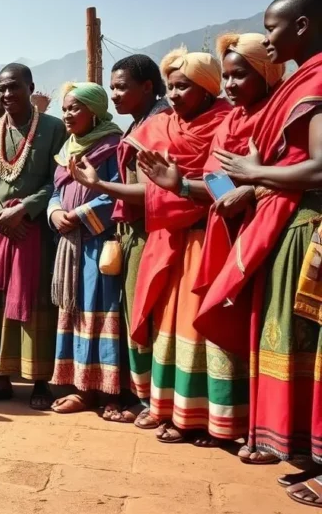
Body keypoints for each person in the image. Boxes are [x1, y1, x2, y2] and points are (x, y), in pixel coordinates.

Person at [202, 0, 322, 505]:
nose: (266, 36)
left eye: (272, 27)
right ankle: (306, 452)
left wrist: (255, 172)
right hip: (287, 220)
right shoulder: (301, 80)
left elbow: (318, 165)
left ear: (301, 26)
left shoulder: (315, 81)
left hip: (308, 222)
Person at [139, 33, 284, 459]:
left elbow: (285, 173)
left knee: (228, 326)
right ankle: (189, 412)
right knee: (186, 324)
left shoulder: (272, 115)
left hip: (255, 235)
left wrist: (248, 190)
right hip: (213, 231)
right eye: (228, 76)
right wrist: (183, 184)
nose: (232, 85)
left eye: (242, 75)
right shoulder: (232, 120)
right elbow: (218, 180)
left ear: (268, 73)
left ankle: (228, 421)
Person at [118, 47, 235, 446]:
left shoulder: (226, 124)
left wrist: (181, 185)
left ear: (207, 89)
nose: (174, 95)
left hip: (209, 237)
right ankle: (170, 407)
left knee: (200, 325)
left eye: (183, 87)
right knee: (166, 323)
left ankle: (208, 419)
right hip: (167, 240)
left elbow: (227, 188)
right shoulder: (160, 127)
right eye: (170, 87)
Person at [73, 53, 170, 424]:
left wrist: (98, 185)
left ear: (147, 87)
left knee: (147, 316)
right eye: (112, 87)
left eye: (121, 87)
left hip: (151, 233)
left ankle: (149, 400)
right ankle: (141, 395)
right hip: (134, 234)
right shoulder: (138, 124)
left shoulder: (157, 125)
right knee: (136, 314)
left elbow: (151, 191)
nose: (115, 94)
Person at [0, 63, 66, 410]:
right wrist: (1, 215)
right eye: (2, 88)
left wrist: (23, 209)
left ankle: (40, 379)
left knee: (36, 306)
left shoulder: (55, 129)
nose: (8, 94)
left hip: (34, 232)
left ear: (30, 87)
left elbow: (58, 180)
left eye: (14, 87)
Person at [45, 82, 122, 414]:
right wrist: (56, 212)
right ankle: (82, 390)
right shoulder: (66, 151)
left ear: (96, 111)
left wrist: (81, 215)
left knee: (101, 316)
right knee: (74, 316)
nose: (67, 114)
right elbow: (54, 191)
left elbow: (118, 190)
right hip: (70, 248)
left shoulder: (113, 145)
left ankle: (111, 394)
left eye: (75, 108)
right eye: (64, 109)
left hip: (99, 246)